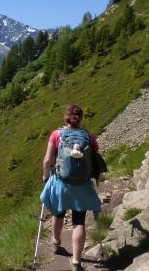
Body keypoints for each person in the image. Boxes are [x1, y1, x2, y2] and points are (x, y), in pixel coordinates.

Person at [40, 104, 101, 270]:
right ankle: (76, 261)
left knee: (58, 213)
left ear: (65, 117)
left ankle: (56, 241)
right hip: (82, 184)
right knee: (79, 221)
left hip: (61, 182)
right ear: (81, 118)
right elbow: (95, 156)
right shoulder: (89, 136)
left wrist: (46, 175)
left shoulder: (57, 134)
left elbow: (47, 160)